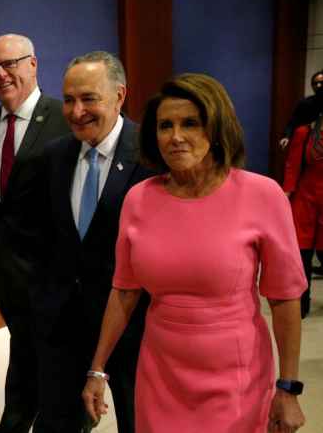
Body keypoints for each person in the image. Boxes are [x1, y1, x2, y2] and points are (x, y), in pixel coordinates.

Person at [82, 73, 307, 433]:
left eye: (191, 123)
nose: (175, 137)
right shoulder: (139, 199)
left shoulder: (263, 195)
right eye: (165, 126)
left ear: (216, 130)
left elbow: (285, 299)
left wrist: (288, 388)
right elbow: (124, 291)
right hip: (160, 372)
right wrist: (97, 369)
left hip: (236, 376)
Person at [34, 52, 153, 433]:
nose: (76, 110)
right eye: (68, 99)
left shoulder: (153, 157)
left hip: (136, 329)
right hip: (65, 327)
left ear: (120, 96)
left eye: (89, 98)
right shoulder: (53, 157)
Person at [0, 33, 69, 433]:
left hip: (55, 277)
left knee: (54, 354)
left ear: (34, 64)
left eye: (11, 64)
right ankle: (22, 415)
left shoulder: (65, 119)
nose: (2, 74)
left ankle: (49, 419)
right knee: (24, 345)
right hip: (4, 274)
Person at [283, 119, 323, 318]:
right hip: (305, 199)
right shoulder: (304, 132)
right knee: (302, 255)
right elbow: (293, 164)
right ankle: (302, 305)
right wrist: (287, 192)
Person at [279, 70, 323, 149]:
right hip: (307, 145)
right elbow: (293, 122)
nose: (318, 86)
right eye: (315, 83)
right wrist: (287, 136)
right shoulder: (305, 103)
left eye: (321, 82)